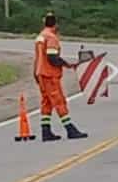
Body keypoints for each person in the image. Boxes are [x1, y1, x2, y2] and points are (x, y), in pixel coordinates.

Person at [34, 12, 89, 142]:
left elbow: (38, 57)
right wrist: (67, 64)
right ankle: (70, 129)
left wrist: (35, 74)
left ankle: (45, 131)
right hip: (50, 75)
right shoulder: (51, 37)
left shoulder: (40, 37)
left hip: (40, 74)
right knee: (59, 101)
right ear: (55, 24)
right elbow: (52, 57)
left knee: (46, 102)